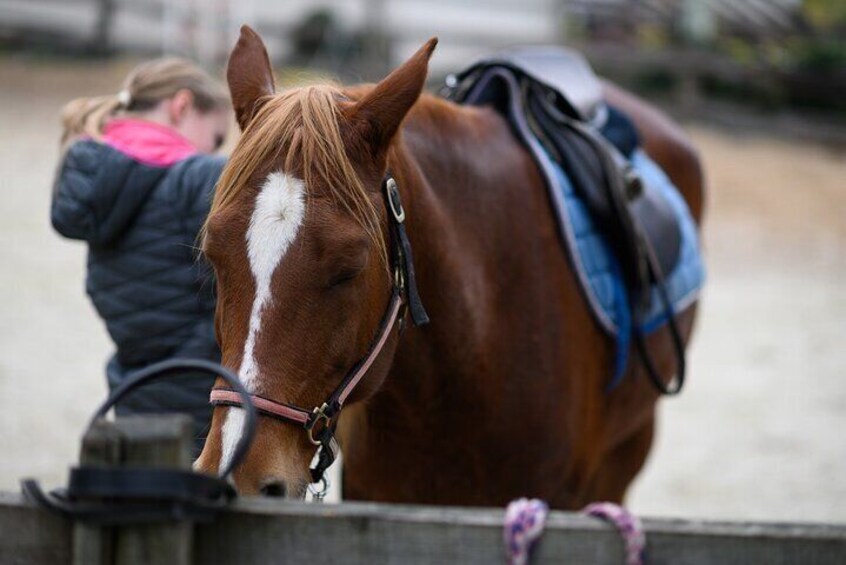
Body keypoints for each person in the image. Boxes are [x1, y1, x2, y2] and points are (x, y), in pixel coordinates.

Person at [51, 58, 231, 455]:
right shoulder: (197, 177)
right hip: (204, 394)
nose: (218, 149)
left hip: (132, 390)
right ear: (181, 106)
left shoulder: (103, 182)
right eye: (217, 137)